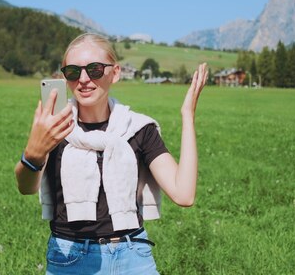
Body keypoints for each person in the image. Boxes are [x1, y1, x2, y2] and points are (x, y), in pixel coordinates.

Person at [14, 33, 208, 274]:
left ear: (115, 73)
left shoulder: (138, 129)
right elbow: (26, 186)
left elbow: (184, 194)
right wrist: (34, 152)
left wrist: (187, 115)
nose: (83, 79)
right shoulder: (55, 128)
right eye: (73, 72)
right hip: (70, 258)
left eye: (94, 69)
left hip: (133, 257)